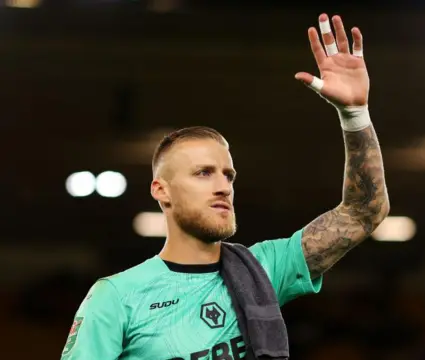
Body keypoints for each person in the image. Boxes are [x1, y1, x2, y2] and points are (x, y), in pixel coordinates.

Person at [61, 13, 389, 360]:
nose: (223, 187)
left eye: (228, 175)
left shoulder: (261, 269)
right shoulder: (117, 296)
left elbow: (364, 211)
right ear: (161, 190)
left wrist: (355, 114)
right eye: (203, 173)